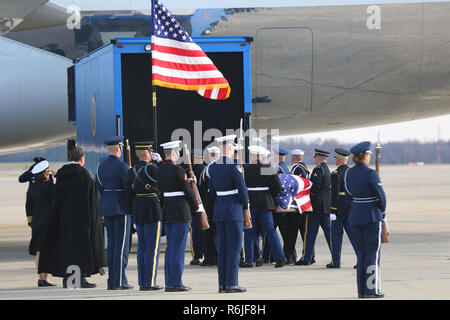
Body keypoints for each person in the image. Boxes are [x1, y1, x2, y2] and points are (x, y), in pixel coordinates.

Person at [38, 147, 106, 288]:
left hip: (64, 219)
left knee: (67, 249)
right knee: (80, 250)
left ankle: (68, 278)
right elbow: (92, 200)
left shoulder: (62, 174)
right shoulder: (84, 174)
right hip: (81, 220)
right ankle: (78, 279)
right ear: (82, 159)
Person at [207, 135, 249, 293]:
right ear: (230, 148)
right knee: (234, 249)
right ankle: (232, 283)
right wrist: (245, 205)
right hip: (234, 212)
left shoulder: (212, 167)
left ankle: (222, 284)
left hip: (219, 211)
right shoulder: (234, 167)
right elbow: (243, 191)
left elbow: (211, 192)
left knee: (223, 249)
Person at [345, 141, 386, 298]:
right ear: (364, 156)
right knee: (372, 254)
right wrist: (381, 212)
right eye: (369, 155)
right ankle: (371, 289)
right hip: (371, 217)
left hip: (355, 217)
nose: (370, 157)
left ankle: (361, 291)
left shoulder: (349, 173)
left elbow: (349, 195)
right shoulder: (371, 173)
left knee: (361, 255)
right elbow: (381, 198)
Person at [157, 140, 198, 292]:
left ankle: (170, 280)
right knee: (178, 249)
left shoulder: (159, 170)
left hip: (168, 210)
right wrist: (196, 208)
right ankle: (176, 282)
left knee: (170, 248)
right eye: (178, 152)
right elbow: (188, 192)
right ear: (173, 153)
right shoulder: (179, 171)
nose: (179, 154)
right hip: (181, 212)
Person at [96, 136, 133, 290]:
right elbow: (129, 189)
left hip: (107, 207)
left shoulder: (100, 166)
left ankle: (113, 280)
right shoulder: (123, 167)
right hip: (121, 208)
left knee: (111, 246)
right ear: (119, 148)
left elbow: (99, 187)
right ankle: (118, 282)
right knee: (121, 246)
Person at [127, 141, 163, 291]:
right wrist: (160, 161)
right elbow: (163, 180)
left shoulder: (131, 171)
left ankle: (143, 281)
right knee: (152, 248)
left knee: (142, 248)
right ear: (148, 153)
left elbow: (129, 193)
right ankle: (150, 282)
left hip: (138, 209)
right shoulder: (153, 168)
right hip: (152, 209)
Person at [242, 145, 286, 268]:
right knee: (270, 230)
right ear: (261, 156)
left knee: (250, 231)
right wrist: (269, 195)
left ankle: (249, 260)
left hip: (251, 202)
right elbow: (278, 185)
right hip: (266, 202)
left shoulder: (246, 168)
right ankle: (280, 258)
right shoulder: (268, 168)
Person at [296, 148, 332, 266]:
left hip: (316, 207)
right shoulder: (327, 169)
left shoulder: (318, 169)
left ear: (318, 158)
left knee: (310, 233)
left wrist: (306, 198)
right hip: (326, 207)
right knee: (329, 234)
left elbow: (315, 187)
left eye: (315, 157)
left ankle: (306, 258)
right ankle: (335, 256)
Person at [327, 148, 358, 269]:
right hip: (350, 208)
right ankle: (361, 260)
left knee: (336, 236)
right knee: (354, 236)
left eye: (336, 158)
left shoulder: (335, 174)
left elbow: (334, 194)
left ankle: (336, 262)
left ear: (339, 159)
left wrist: (333, 210)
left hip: (339, 209)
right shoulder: (352, 172)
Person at [27, 160, 56, 287]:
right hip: (48, 222)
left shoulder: (33, 187)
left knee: (39, 250)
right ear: (44, 173)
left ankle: (41, 278)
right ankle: (45, 278)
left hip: (36, 222)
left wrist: (30, 221)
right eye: (48, 172)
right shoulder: (49, 186)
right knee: (47, 250)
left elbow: (28, 205)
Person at [197, 146, 221, 267]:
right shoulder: (221, 168)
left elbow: (200, 189)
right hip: (220, 202)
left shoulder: (206, 170)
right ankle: (218, 256)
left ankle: (210, 258)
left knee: (208, 231)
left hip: (209, 203)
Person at [188, 149, 205, 266]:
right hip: (205, 205)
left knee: (195, 232)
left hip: (195, 205)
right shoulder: (207, 170)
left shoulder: (189, 172)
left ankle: (197, 256)